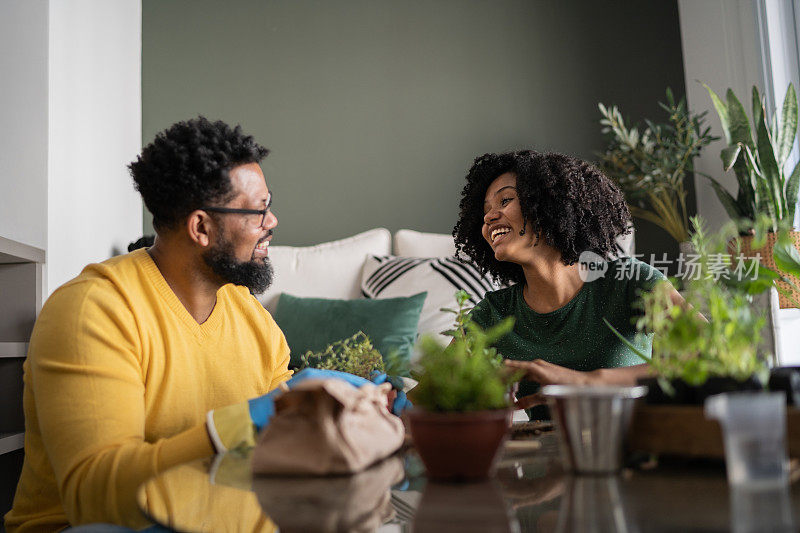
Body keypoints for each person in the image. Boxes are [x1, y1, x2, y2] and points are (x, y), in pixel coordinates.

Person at [4, 118, 384, 532]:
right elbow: (96, 499)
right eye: (257, 211)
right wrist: (238, 425)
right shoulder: (93, 310)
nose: (271, 221)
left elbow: (280, 444)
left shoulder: (251, 315)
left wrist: (335, 409)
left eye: (268, 205)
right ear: (201, 227)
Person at [453, 150, 685, 416]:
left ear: (549, 203)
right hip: (540, 454)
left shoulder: (629, 281)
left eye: (505, 200)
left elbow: (711, 354)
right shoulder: (493, 314)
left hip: (629, 449)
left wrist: (586, 382)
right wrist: (395, 392)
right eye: (485, 211)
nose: (489, 217)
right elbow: (429, 392)